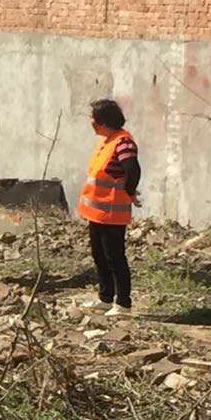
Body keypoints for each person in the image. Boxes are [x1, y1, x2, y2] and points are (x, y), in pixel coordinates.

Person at [76, 98, 140, 315]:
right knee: (100, 255)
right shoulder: (107, 141)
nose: (91, 123)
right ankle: (105, 297)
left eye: (93, 119)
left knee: (115, 257)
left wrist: (129, 191)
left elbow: (132, 170)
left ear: (103, 122)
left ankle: (122, 303)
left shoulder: (123, 142)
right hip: (97, 212)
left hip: (112, 211)